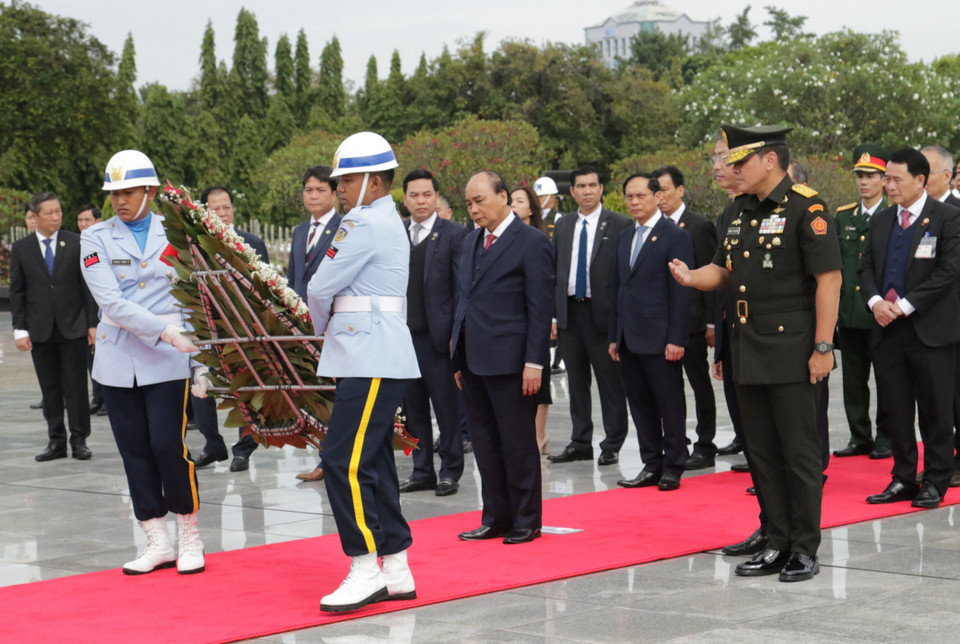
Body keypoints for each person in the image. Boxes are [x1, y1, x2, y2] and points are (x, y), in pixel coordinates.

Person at [669, 124, 842, 583]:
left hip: (792, 347)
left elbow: (830, 280)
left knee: (799, 454)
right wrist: (691, 277)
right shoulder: (739, 212)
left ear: (770, 160)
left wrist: (824, 347)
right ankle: (777, 540)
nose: (731, 169)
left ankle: (804, 548)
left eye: (740, 161)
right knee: (762, 453)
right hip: (749, 347)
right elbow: (723, 272)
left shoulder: (809, 207)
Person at [306, 132, 420, 612]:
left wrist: (317, 333)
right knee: (371, 461)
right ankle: (394, 566)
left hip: (369, 355)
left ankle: (364, 565)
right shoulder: (379, 219)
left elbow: (319, 287)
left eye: (348, 179)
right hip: (372, 354)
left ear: (374, 181)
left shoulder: (363, 223)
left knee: (341, 461)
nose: (341, 189)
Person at [81, 149, 205, 575]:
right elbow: (111, 303)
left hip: (171, 357)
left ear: (150, 191)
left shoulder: (177, 233)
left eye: (129, 191)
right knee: (134, 450)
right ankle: (156, 538)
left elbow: (194, 296)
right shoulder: (95, 237)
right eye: (114, 192)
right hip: (120, 357)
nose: (120, 200)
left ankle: (189, 533)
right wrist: (165, 329)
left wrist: (201, 358)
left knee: (168, 446)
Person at [453, 170, 555, 545]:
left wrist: (535, 362)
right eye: (468, 203)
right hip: (473, 359)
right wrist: (457, 359)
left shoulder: (531, 242)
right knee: (484, 442)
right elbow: (463, 301)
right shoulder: (469, 243)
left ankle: (527, 519)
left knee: (517, 443)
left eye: (479, 200)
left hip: (513, 361)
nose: (474, 209)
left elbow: (539, 308)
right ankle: (495, 516)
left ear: (504, 197)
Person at [860, 148, 960, 509]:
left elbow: (949, 272)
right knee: (897, 408)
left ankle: (935, 479)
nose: (888, 185)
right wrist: (875, 303)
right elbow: (866, 267)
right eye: (886, 178)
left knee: (935, 409)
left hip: (929, 330)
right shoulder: (882, 221)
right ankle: (902, 477)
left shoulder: (948, 218)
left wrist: (903, 305)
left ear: (920, 180)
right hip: (887, 329)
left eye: (895, 179)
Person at [610, 173, 694, 491]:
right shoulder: (623, 237)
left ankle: (673, 464)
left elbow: (682, 293)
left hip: (660, 337)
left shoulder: (674, 236)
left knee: (668, 402)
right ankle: (651, 462)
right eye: (629, 197)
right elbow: (619, 289)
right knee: (640, 403)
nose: (634, 202)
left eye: (640, 196)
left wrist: (676, 338)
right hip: (629, 336)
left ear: (657, 197)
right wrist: (614, 336)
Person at [547, 166, 631, 467]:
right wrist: (554, 316)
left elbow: (624, 275)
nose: (586, 191)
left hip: (604, 315)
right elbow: (556, 273)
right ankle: (580, 441)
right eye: (580, 186)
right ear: (571, 192)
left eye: (592, 185)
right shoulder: (564, 225)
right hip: (571, 311)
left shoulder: (619, 224)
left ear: (601, 189)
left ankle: (612, 442)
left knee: (610, 382)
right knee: (576, 381)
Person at [10, 192, 97, 462]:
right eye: (50, 213)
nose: (56, 217)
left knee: (76, 387)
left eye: (58, 211)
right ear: (35, 217)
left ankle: (79, 439)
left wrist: (92, 324)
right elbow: (17, 292)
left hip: (74, 327)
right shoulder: (22, 248)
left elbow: (88, 287)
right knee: (50, 388)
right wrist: (20, 329)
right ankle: (55, 440)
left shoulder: (76, 243)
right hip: (40, 329)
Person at [188, 186, 269, 473]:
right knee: (201, 386)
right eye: (215, 209)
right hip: (206, 327)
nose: (222, 213)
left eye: (227, 207)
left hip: (244, 330)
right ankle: (213, 444)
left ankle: (244, 449)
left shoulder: (252, 243)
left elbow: (265, 288)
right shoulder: (194, 246)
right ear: (205, 212)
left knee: (245, 389)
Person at [398, 169, 468, 496]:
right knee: (413, 411)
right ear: (405, 199)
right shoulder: (396, 234)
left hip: (439, 340)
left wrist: (458, 332)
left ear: (437, 197)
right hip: (403, 339)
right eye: (414, 195)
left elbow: (461, 288)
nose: (421, 200)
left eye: (427, 194)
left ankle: (450, 470)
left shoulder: (454, 234)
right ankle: (421, 469)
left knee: (446, 408)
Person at [653, 165, 719, 470]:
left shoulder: (698, 226)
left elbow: (712, 275)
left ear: (680, 190)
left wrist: (710, 323)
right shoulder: (652, 228)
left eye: (665, 189)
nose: (660, 196)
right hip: (661, 323)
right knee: (669, 387)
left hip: (692, 322)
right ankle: (677, 443)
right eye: (656, 191)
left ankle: (706, 443)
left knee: (699, 383)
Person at [833, 144, 892, 460]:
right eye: (860, 176)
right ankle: (860, 436)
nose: (864, 182)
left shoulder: (891, 215)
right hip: (850, 313)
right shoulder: (843, 217)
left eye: (871, 176)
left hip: (881, 314)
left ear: (884, 180)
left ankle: (886, 436)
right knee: (853, 381)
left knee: (887, 379)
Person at [288, 165, 341, 482]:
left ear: (334, 193)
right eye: (309, 189)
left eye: (321, 189)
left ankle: (334, 459)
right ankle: (324, 459)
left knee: (334, 393)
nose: (314, 195)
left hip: (334, 324)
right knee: (315, 393)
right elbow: (296, 279)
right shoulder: (298, 232)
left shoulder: (343, 228)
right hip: (304, 326)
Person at [512, 183, 553, 454]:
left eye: (520, 201)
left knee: (539, 380)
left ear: (531, 207)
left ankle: (539, 436)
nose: (514, 205)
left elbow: (547, 287)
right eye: (511, 201)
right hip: (512, 324)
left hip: (535, 320)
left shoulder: (540, 239)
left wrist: (552, 319)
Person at [76, 204, 109, 417]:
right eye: (79, 220)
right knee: (91, 358)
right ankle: (98, 397)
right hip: (86, 314)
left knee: (105, 357)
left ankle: (107, 398)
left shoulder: (107, 243)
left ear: (98, 221)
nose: (82, 224)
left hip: (106, 314)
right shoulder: (79, 245)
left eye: (86, 220)